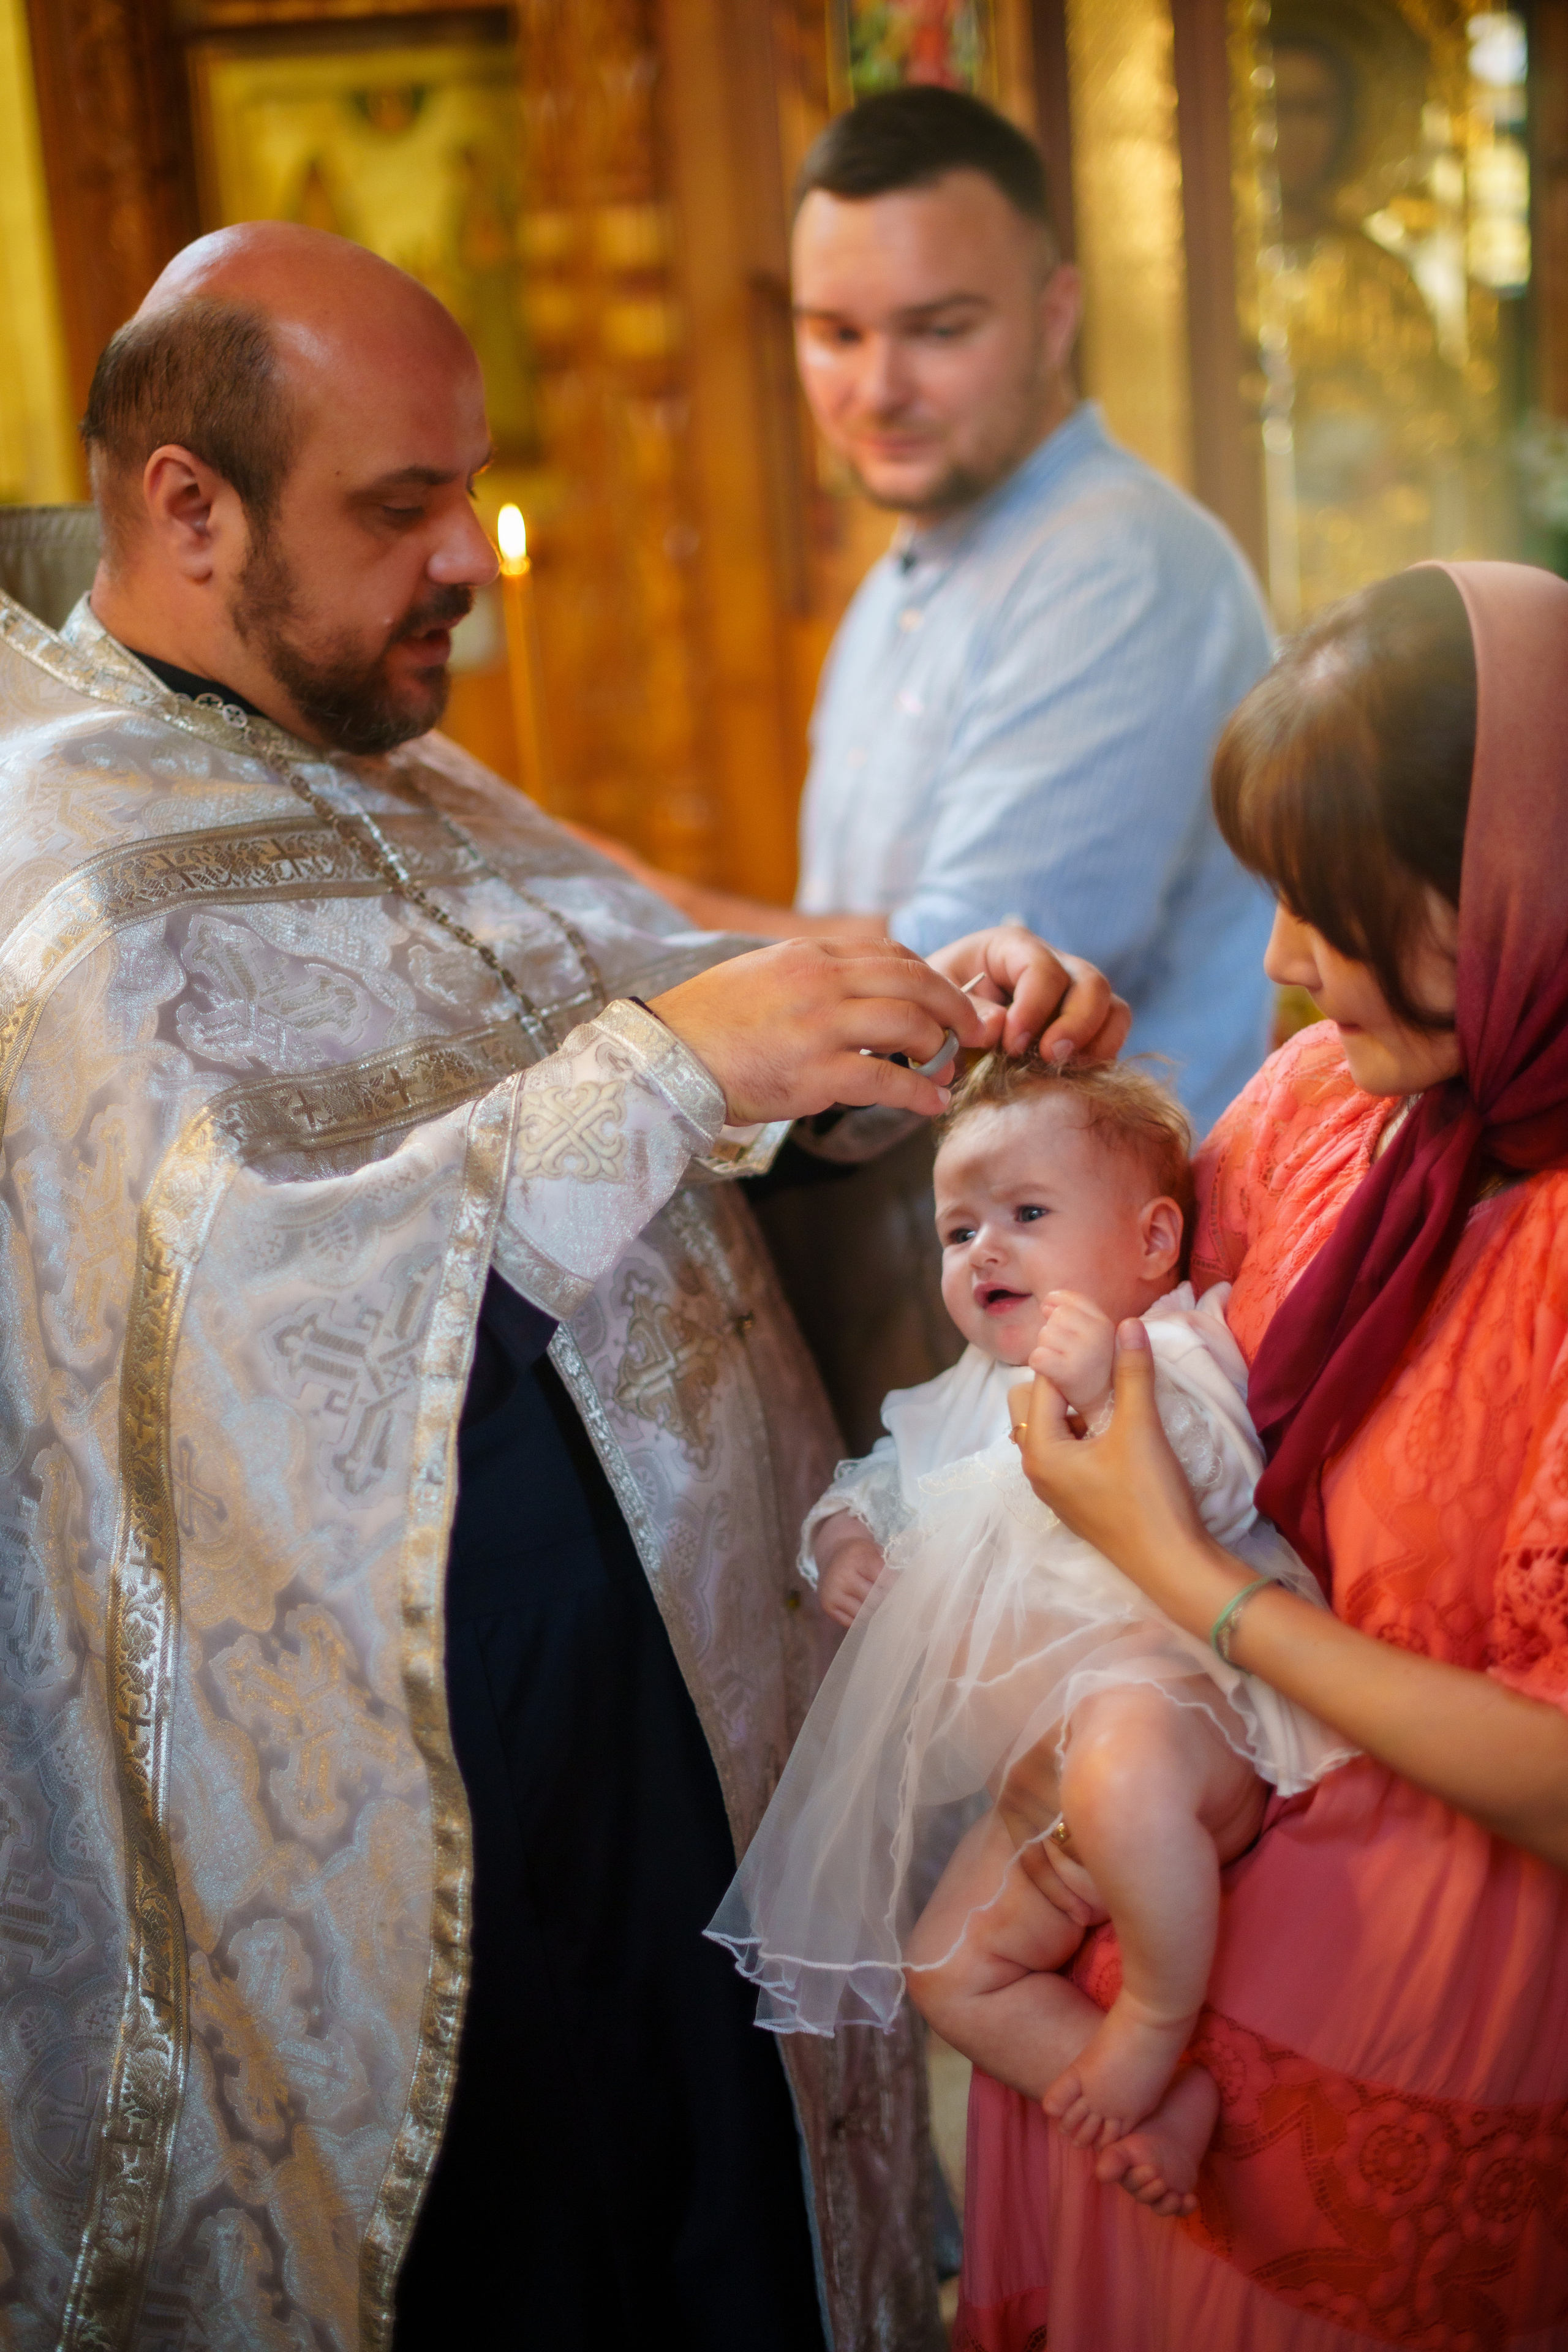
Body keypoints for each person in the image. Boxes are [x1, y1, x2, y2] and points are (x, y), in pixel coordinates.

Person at [0, 220, 1129, 2351]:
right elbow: (232, 1319)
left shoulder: (391, 764)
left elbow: (649, 1016)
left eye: (468, 488)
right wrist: (676, 1062)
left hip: (696, 1706)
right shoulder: (51, 870)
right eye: (399, 506)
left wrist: (897, 1049)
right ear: (186, 505)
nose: (468, 561)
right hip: (440, 1800)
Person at [949, 561, 1568, 2349]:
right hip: (1155, 1975)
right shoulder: (1329, 1102)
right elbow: (1118, 1309)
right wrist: (1049, 1117)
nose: (1286, 962)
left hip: (1405, 2036)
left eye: (1340, 905)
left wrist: (1195, 1590)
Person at [584, 85, 1275, 1443]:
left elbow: (955, 997)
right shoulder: (910, 569)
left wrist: (622, 907)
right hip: (948, 1282)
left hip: (1099, 1332)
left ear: (1054, 312)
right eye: (832, 333)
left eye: (937, 330)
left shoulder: (1112, 563)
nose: (876, 389)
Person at [707, 1055, 1348, 2212]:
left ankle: (1154, 2024)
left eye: (1029, 1216)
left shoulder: (1168, 1350)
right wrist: (845, 1545)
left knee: (1119, 1770)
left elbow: (1222, 1483)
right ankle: (1165, 2107)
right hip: (1030, 1791)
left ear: (1153, 1244)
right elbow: (874, 1480)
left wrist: (1110, 1393)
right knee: (946, 1969)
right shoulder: (959, 1392)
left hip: (1175, 1717)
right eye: (959, 1231)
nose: (984, 1251)